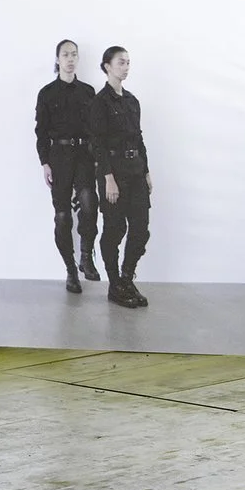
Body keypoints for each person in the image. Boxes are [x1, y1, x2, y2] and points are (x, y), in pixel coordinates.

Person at [36, 40, 103, 295]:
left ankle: (86, 255)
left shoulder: (88, 92)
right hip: (59, 156)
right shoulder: (46, 93)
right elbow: (40, 131)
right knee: (63, 216)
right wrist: (45, 162)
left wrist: (97, 157)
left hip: (84, 154)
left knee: (88, 201)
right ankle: (70, 270)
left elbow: (96, 129)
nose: (70, 59)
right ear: (57, 59)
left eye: (74, 54)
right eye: (65, 55)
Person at [92, 46, 151, 308]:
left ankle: (127, 278)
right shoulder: (99, 102)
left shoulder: (132, 101)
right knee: (115, 230)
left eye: (128, 62)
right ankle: (114, 283)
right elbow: (98, 144)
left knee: (140, 229)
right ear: (107, 66)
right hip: (113, 174)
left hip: (135, 171)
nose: (125, 67)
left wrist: (147, 171)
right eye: (120, 62)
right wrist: (108, 178)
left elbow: (138, 138)